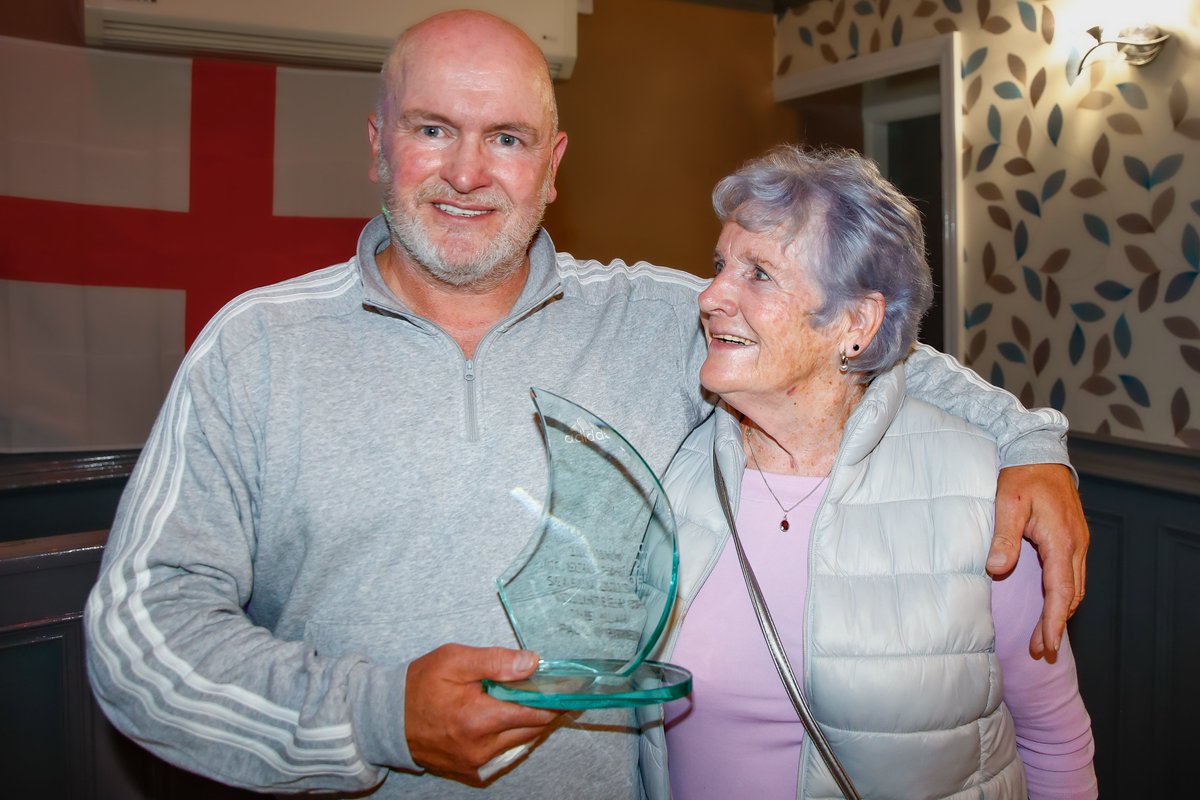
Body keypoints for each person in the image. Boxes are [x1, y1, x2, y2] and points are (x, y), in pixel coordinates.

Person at [85, 10, 1088, 800]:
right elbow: (141, 634)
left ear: (553, 167)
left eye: (507, 138)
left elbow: (861, 348)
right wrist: (376, 712)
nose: (470, 173)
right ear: (379, 144)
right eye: (434, 130)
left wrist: (1029, 440)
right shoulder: (256, 345)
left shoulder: (662, 321)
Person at [642, 145, 1097, 799]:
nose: (710, 295)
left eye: (759, 274)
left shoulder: (981, 493)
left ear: (855, 322)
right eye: (720, 266)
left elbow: (1052, 737)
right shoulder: (669, 466)